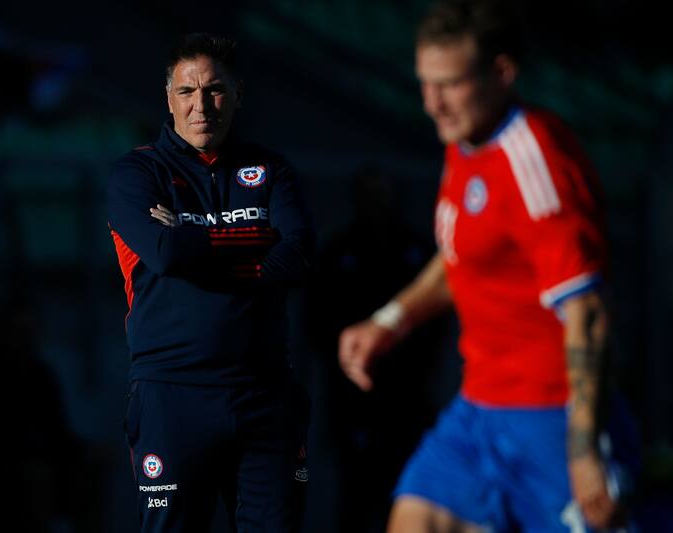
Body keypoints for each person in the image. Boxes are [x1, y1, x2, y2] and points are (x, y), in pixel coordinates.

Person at [338, 1, 636, 532]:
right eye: (425, 84)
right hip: (478, 411)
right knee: (412, 521)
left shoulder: (536, 162)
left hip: (551, 420)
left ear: (501, 73)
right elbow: (462, 254)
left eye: (448, 85)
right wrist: (391, 320)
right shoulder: (466, 140)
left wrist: (584, 449)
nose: (432, 104)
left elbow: (586, 310)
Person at [107, 33, 313, 532]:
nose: (202, 105)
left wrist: (195, 236)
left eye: (216, 90)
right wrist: (257, 241)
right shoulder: (137, 172)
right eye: (187, 91)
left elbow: (301, 254)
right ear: (169, 98)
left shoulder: (270, 168)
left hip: (264, 395)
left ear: (238, 94)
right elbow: (164, 252)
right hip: (172, 394)